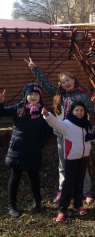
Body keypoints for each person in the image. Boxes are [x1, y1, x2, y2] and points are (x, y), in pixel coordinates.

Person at [24, 57, 95, 204]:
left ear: (73, 80)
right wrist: (35, 68)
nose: (66, 83)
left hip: (79, 135)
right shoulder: (59, 95)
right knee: (63, 163)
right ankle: (62, 189)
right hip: (63, 134)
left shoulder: (82, 96)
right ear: (61, 85)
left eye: (68, 80)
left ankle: (85, 190)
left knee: (82, 163)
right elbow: (46, 83)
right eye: (63, 82)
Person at [42, 101, 95, 222]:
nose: (79, 112)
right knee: (68, 183)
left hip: (83, 156)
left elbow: (90, 136)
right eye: (77, 110)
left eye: (81, 110)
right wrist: (48, 115)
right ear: (72, 111)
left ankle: (78, 205)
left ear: (84, 112)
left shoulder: (86, 124)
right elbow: (56, 124)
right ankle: (62, 210)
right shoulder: (67, 124)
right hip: (71, 157)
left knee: (79, 181)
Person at [0, 84, 53, 218]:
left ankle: (37, 203)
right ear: (25, 96)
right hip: (17, 149)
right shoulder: (18, 108)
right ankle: (12, 206)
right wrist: (1, 103)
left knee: (34, 177)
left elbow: (48, 131)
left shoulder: (43, 112)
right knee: (15, 177)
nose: (33, 97)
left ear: (40, 96)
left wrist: (39, 145)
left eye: (36, 94)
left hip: (33, 150)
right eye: (31, 94)